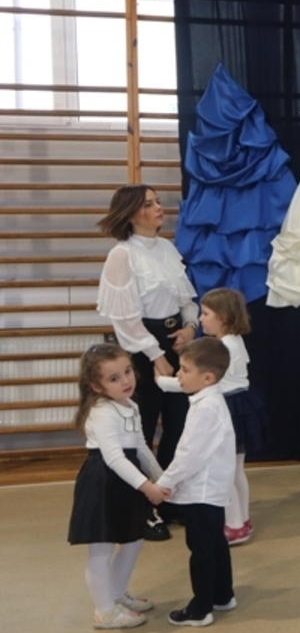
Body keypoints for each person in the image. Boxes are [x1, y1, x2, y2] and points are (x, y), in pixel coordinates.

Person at [97, 185, 198, 540]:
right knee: (139, 429)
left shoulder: (167, 248)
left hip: (174, 344)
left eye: (158, 202)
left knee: (178, 423)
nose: (158, 208)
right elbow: (124, 318)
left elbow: (186, 299)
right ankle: (140, 509)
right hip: (141, 350)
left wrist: (189, 327)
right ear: (130, 214)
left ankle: (167, 499)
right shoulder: (122, 255)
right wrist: (155, 356)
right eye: (149, 204)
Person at [157, 288, 267, 545]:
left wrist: (163, 382)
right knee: (236, 470)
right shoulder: (234, 341)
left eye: (205, 314)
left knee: (227, 472)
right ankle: (241, 520)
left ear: (223, 318)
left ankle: (235, 525)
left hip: (231, 406)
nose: (200, 319)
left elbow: (204, 381)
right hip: (241, 405)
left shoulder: (223, 347)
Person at [67, 344, 166, 629]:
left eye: (127, 372)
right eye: (114, 378)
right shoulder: (102, 412)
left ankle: (116, 592)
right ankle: (105, 610)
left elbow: (140, 447)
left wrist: (161, 478)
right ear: (96, 387)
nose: (126, 380)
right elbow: (113, 458)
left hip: (126, 480)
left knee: (133, 540)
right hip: (104, 482)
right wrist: (147, 487)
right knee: (101, 549)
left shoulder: (130, 405)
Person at [155, 337, 237, 627]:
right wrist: (161, 379)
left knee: (201, 548)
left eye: (185, 370)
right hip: (212, 489)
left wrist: (164, 483)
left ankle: (200, 608)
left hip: (202, 491)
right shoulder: (208, 396)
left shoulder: (205, 409)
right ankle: (223, 595)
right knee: (215, 543)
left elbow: (189, 455)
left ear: (207, 377)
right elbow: (178, 385)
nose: (179, 374)